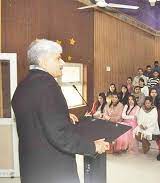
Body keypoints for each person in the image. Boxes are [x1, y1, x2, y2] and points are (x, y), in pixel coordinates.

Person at [11, 39, 109, 183]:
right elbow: (60, 136)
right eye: (58, 58)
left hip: (32, 167)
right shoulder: (49, 86)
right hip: (53, 170)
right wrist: (93, 146)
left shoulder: (23, 85)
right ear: (43, 61)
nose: (62, 63)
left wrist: (62, 115)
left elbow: (35, 117)